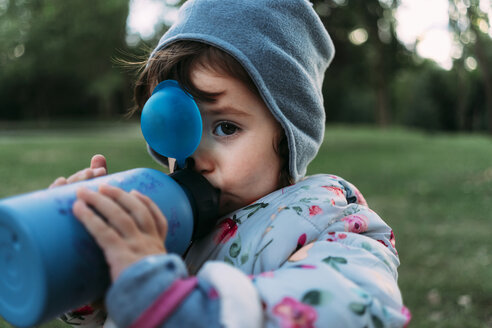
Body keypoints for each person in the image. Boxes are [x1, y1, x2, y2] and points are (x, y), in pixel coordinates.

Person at [51, 0, 411, 327]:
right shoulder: (170, 225)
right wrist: (91, 269)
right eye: (181, 125)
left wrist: (170, 303)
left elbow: (356, 306)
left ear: (288, 139)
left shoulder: (328, 219)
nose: (196, 157)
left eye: (226, 127)